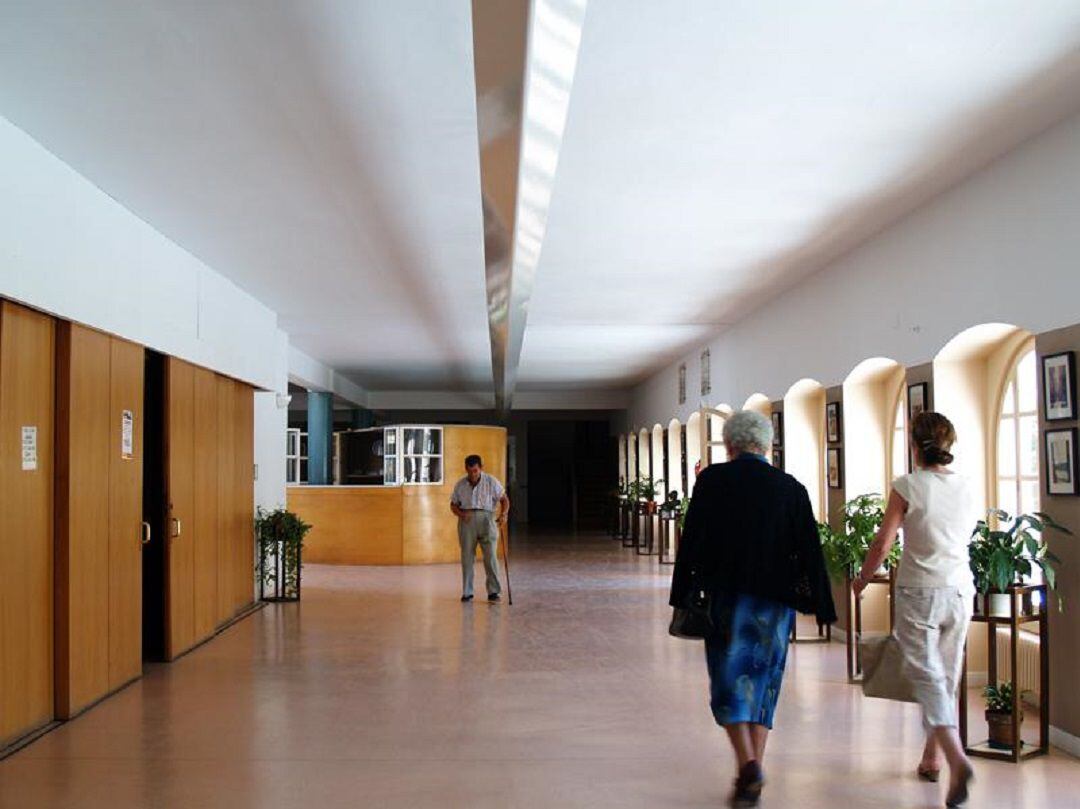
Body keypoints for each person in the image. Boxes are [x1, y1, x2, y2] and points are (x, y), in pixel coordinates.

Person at [670, 411, 836, 807]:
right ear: (767, 445)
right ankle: (751, 770)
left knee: (728, 682)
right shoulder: (790, 488)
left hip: (727, 600)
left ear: (730, 445)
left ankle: (748, 765)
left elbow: (691, 540)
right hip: (775, 607)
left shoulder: (712, 482)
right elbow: (810, 551)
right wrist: (823, 605)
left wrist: (681, 594)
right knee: (763, 684)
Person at [853, 411, 975, 806]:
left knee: (926, 677)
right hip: (959, 590)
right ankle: (932, 757)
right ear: (948, 445)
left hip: (919, 591)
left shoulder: (907, 486)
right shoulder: (967, 487)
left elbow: (883, 544)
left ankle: (955, 759)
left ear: (914, 445)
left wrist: (861, 581)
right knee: (946, 673)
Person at [450, 454, 510, 603]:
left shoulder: (491, 481)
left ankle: (494, 592)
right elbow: (453, 504)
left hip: (487, 519)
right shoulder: (460, 485)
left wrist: (504, 514)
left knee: (491, 558)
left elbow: (504, 499)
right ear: (466, 469)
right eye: (470, 471)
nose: (473, 474)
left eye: (475, 471)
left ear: (481, 468)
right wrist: (462, 514)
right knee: (467, 558)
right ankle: (467, 592)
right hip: (467, 520)